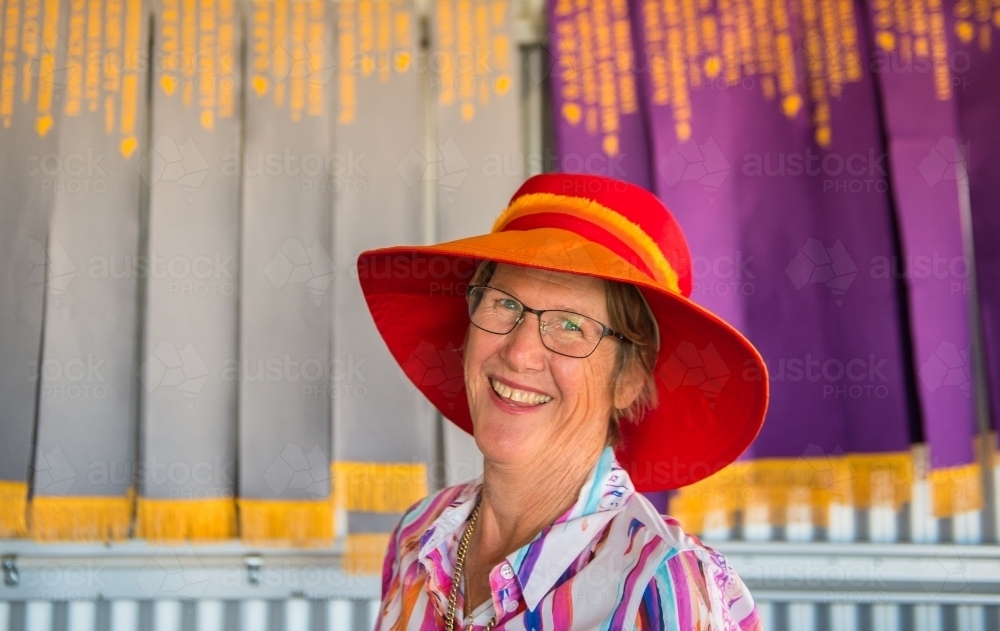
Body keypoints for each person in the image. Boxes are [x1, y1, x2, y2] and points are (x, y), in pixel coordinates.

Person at [358, 173, 768, 630]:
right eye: (504, 304)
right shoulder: (419, 534)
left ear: (628, 378)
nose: (519, 352)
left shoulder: (664, 588)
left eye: (571, 325)